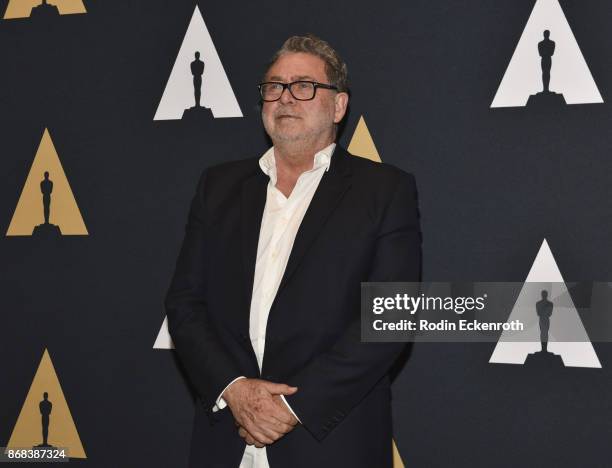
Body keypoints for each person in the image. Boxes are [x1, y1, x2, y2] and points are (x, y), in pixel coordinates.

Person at [165, 34, 422, 468]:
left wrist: (286, 409)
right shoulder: (218, 187)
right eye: (274, 86)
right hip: (226, 436)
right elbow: (185, 302)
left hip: (329, 442)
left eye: (304, 86)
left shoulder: (384, 191)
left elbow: (389, 315)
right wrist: (235, 390)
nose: (285, 98)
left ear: (338, 106)